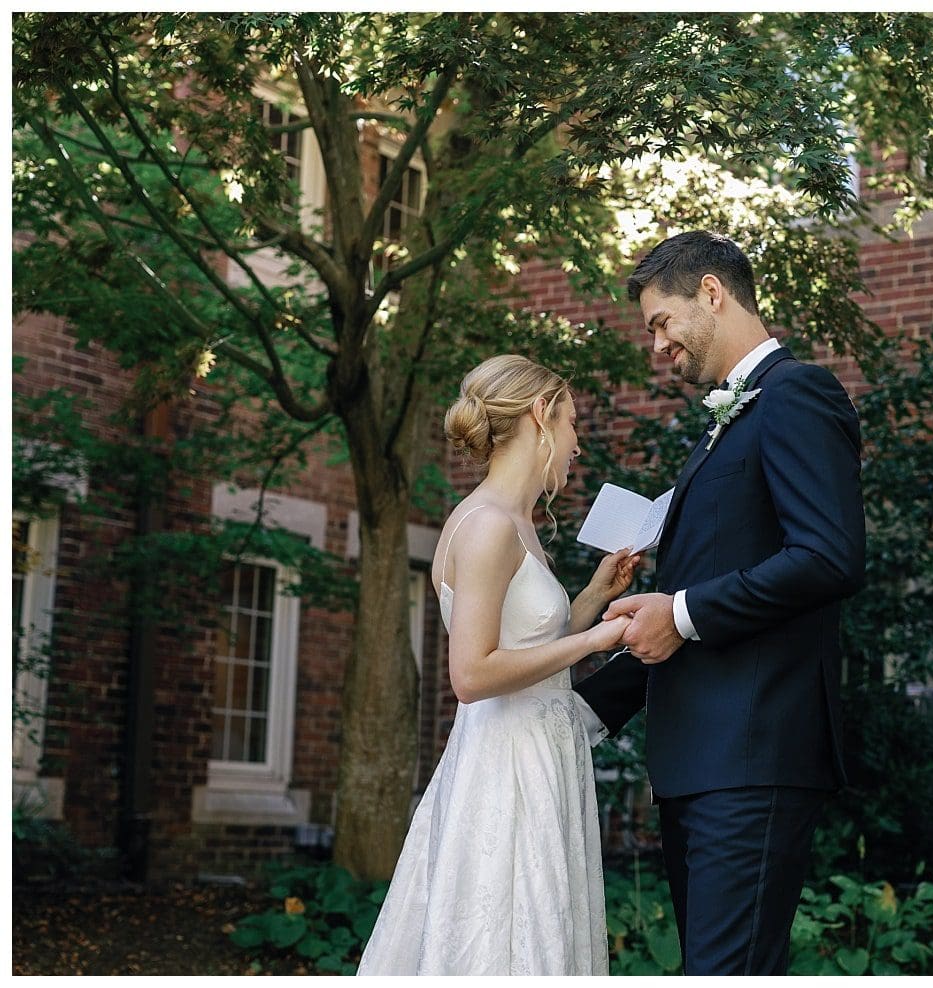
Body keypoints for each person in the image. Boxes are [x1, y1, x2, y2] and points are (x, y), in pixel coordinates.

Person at [574, 231, 865, 975]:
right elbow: (698, 601)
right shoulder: (723, 426)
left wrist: (677, 612)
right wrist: (570, 714)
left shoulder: (798, 393)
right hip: (698, 762)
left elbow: (826, 557)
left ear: (711, 292)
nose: (658, 346)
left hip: (755, 750)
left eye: (661, 323)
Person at [357, 355, 642, 976]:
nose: (575, 444)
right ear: (540, 416)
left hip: (541, 754)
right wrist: (594, 644)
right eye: (570, 423)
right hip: (506, 762)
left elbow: (527, 650)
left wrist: (592, 598)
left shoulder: (518, 523)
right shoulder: (486, 526)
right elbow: (473, 675)